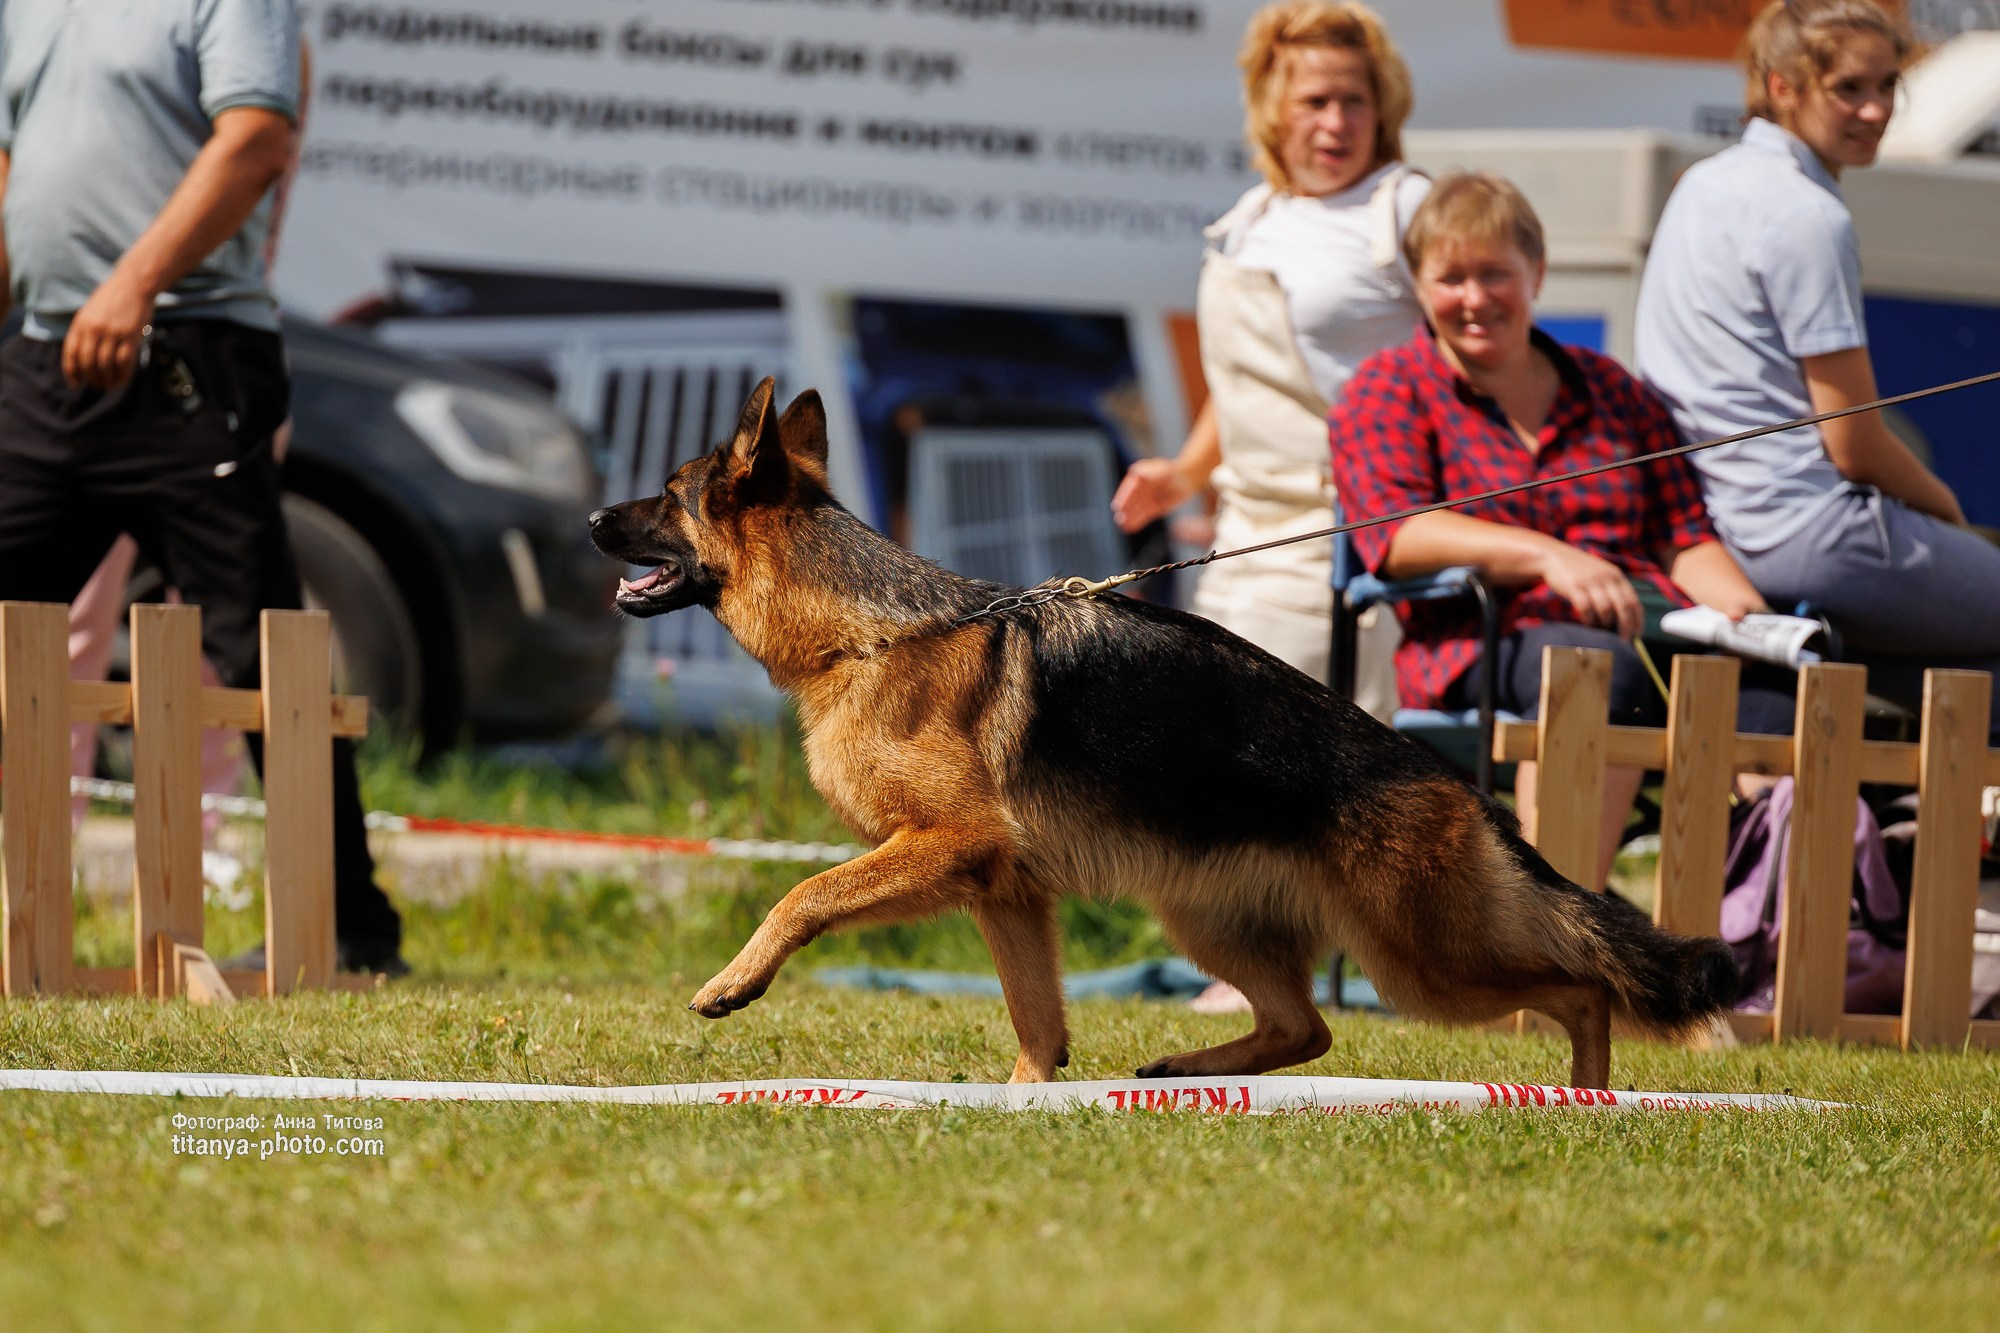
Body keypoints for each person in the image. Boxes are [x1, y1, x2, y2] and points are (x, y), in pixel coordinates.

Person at [0, 0, 405, 972]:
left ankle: (350, 931)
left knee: (264, 654)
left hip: (188, 357)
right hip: (44, 359)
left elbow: (257, 138)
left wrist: (133, 288)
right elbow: (15, 168)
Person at [1330, 173, 1795, 890]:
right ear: (1419, 287)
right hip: (1482, 639)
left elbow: (1683, 534)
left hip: (1645, 634)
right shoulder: (1388, 386)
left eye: (1495, 274)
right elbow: (1392, 536)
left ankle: (1741, 943)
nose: (1475, 298)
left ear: (1536, 274)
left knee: (1774, 694)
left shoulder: (1610, 390)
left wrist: (1754, 622)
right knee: (1595, 670)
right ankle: (1555, 937)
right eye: (1451, 277)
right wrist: (1549, 558)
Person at [1636, 0, 2000, 737]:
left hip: (1716, 535)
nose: (1875, 110)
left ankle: (1911, 837)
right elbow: (1854, 442)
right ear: (1781, 86)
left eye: (1888, 86)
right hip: (1808, 539)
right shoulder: (1808, 215)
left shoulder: (1700, 183)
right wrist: (1947, 510)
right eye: (1849, 89)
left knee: (1976, 683)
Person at [1110, 0, 1426, 719]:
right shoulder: (1250, 220)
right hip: (1243, 535)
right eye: (1316, 101)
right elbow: (1242, 380)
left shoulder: (1408, 209)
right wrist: (1183, 472)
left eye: (1355, 100)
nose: (1337, 122)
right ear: (1274, 110)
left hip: (1349, 537)